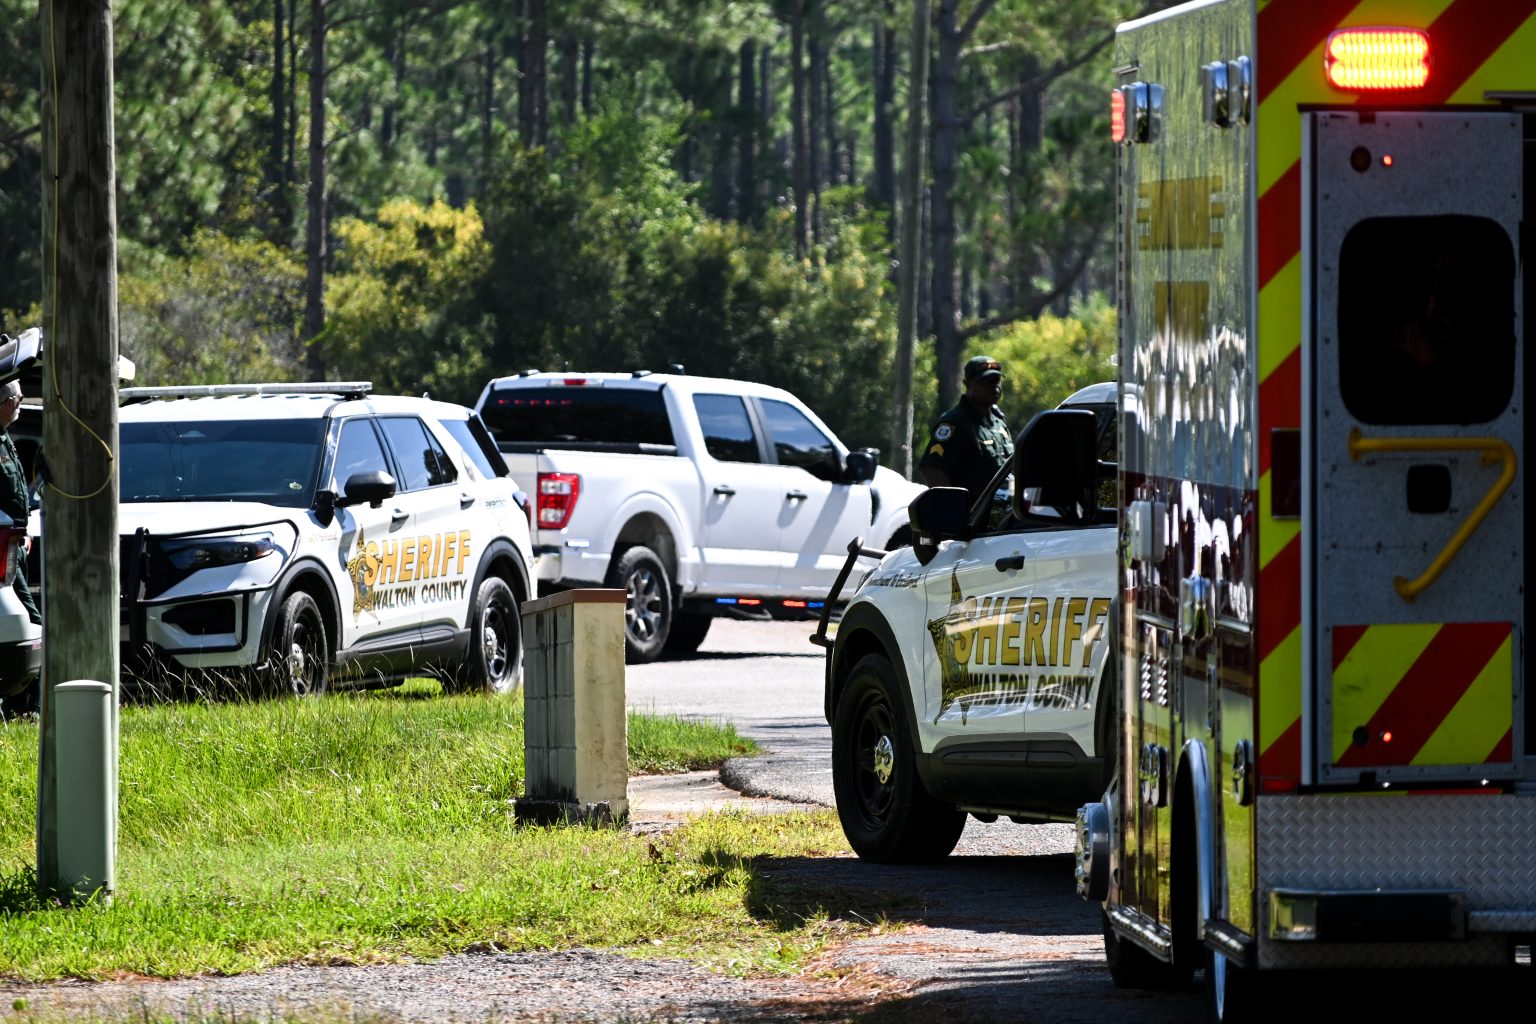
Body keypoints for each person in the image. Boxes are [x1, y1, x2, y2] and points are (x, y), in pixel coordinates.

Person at [918, 355, 1014, 505]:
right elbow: (933, 469)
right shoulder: (955, 422)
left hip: (1005, 510)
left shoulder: (998, 420)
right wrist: (953, 509)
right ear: (967, 384)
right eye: (986, 381)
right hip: (975, 514)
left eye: (996, 380)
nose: (994, 386)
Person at [0, 379, 39, 626]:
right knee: (32, 618)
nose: (20, 403)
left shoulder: (5, 439)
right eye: (18, 399)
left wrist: (24, 535)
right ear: (7, 403)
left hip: (16, 544)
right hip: (4, 545)